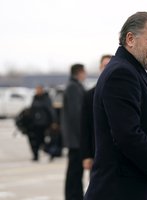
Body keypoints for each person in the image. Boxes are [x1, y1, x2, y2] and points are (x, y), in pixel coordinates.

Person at [84, 12, 147, 200]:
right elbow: (127, 134)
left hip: (144, 187)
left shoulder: (143, 72)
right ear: (130, 39)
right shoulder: (121, 73)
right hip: (122, 190)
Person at [80, 54, 112, 171]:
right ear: (100, 68)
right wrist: (86, 155)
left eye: (110, 65)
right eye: (104, 66)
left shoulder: (124, 93)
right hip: (97, 152)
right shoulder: (90, 95)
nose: (107, 69)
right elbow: (85, 126)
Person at [61, 63, 86, 200]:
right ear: (79, 72)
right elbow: (76, 114)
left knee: (75, 171)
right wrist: (82, 135)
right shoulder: (73, 87)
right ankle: (73, 196)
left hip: (75, 137)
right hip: (75, 138)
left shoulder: (74, 86)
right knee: (74, 171)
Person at [28, 84, 56, 161]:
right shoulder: (35, 98)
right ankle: (36, 155)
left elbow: (51, 110)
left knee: (42, 142)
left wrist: (53, 121)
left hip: (44, 124)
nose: (37, 91)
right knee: (35, 141)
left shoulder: (46, 98)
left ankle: (51, 152)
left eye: (39, 89)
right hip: (35, 124)